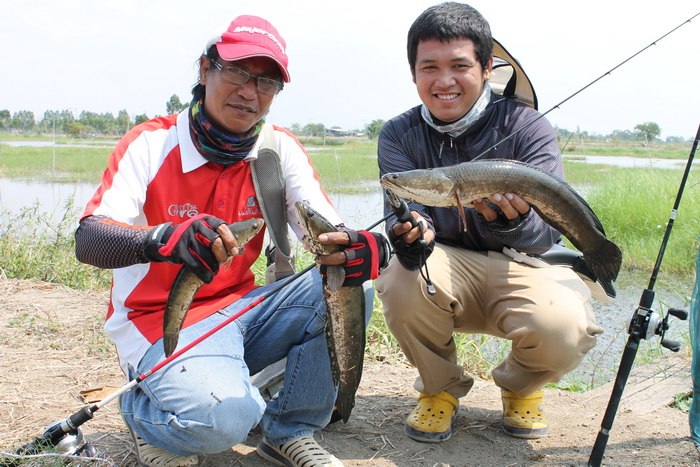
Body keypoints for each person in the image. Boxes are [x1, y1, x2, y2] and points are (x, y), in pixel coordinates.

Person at [75, 15, 387, 467]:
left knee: (347, 283)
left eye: (266, 82)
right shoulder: (151, 144)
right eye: (237, 72)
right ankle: (141, 406)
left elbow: (330, 237)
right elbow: (90, 239)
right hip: (161, 321)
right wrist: (164, 239)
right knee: (225, 421)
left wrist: (366, 249)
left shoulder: (277, 149)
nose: (249, 91)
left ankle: (289, 431)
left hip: (245, 308)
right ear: (205, 71)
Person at [375, 2, 602, 443]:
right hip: (445, 267)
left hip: (522, 264)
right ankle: (439, 391)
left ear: (486, 68)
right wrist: (409, 237)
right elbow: (400, 211)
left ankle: (521, 388)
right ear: (413, 73)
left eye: (460, 65)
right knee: (400, 277)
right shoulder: (398, 135)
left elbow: (544, 235)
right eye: (430, 67)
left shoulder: (528, 125)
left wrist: (510, 224)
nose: (444, 81)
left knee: (564, 326)